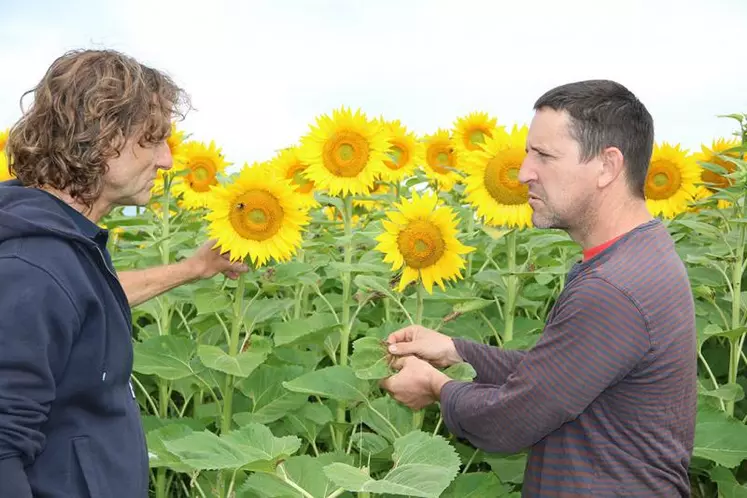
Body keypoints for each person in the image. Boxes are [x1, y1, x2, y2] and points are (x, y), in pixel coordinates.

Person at [381, 80, 697, 497]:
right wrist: (455, 352)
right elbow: (557, 378)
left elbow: (510, 421)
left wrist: (437, 386)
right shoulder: (637, 256)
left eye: (544, 156)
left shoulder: (613, 289)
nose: (523, 172)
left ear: (607, 166)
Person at [0, 49, 248, 498]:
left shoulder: (60, 246)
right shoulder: (30, 268)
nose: (168, 159)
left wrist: (195, 267)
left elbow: (84, 301)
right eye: (152, 140)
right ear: (100, 138)